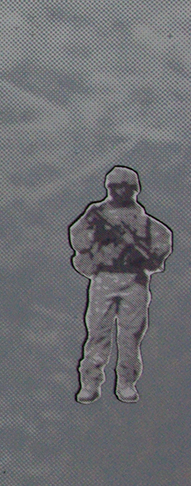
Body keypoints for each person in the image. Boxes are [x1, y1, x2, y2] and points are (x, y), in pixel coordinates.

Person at [69, 166, 171, 403]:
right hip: (104, 277)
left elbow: (162, 239)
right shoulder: (97, 214)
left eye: (126, 187)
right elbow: (78, 235)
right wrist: (94, 246)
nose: (121, 191)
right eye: (117, 187)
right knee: (98, 332)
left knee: (131, 335)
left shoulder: (142, 220)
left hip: (134, 279)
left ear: (134, 189)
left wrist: (147, 255)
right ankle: (90, 382)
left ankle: (126, 382)